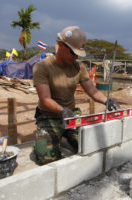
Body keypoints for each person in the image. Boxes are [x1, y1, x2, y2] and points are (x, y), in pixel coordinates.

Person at [32, 26, 120, 164]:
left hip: (71, 115)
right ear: (61, 45)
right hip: (49, 116)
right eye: (73, 53)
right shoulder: (42, 67)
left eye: (78, 54)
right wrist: (62, 110)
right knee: (47, 159)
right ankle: (43, 141)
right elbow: (45, 99)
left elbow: (92, 90)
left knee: (90, 146)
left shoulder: (79, 67)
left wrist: (107, 101)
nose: (76, 57)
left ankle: (66, 136)